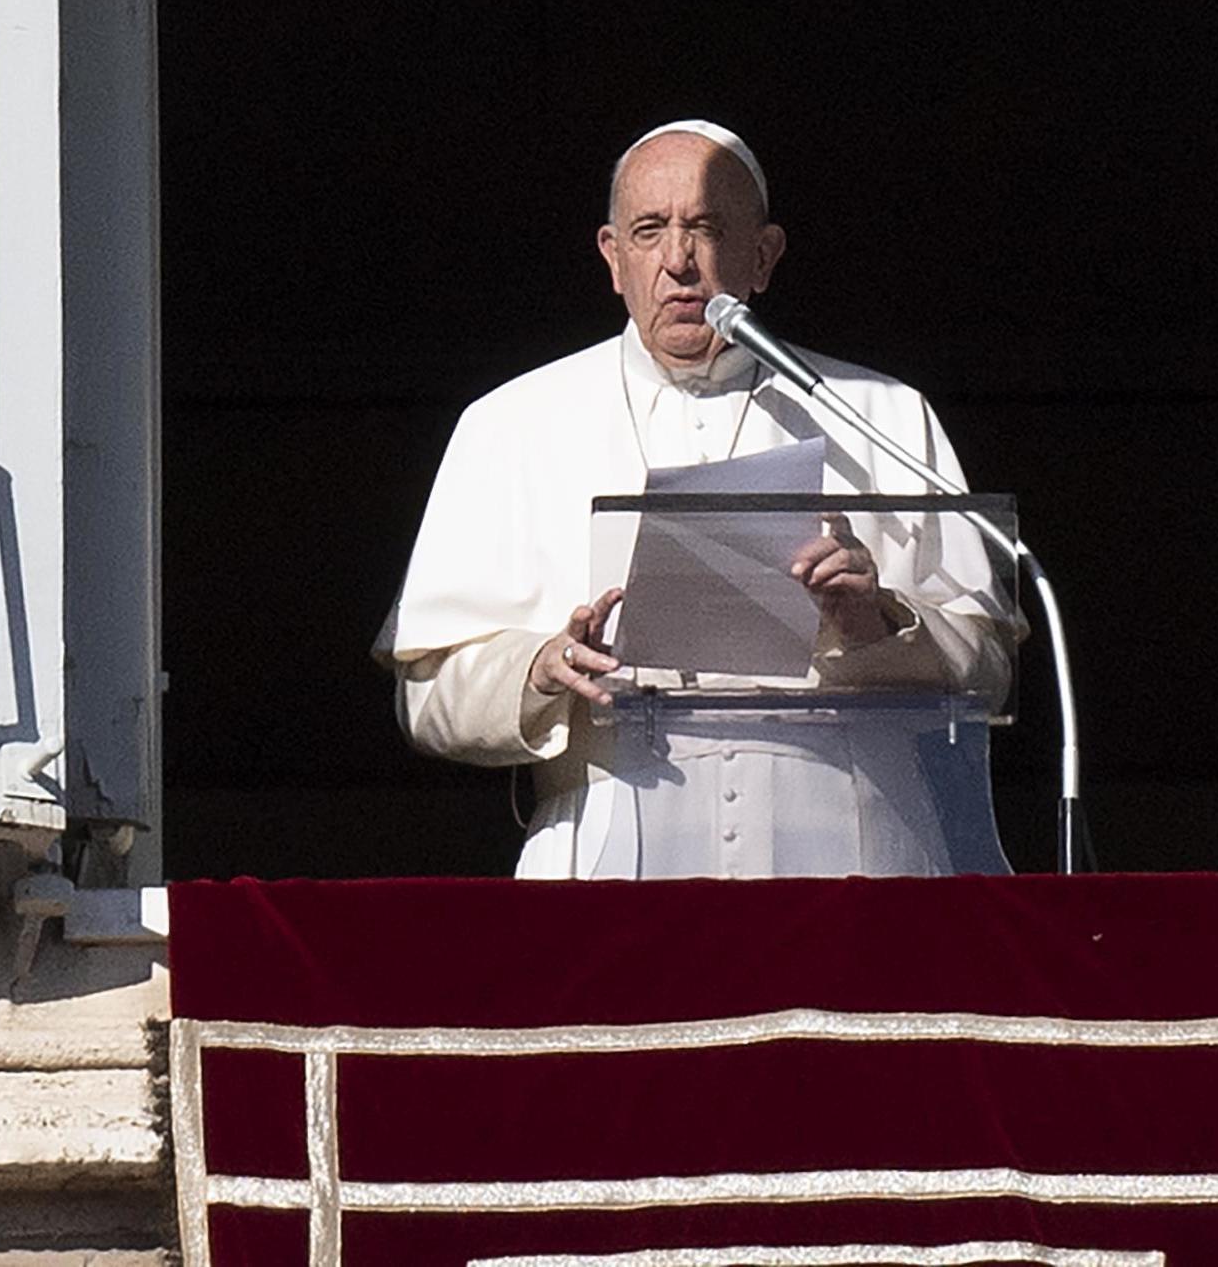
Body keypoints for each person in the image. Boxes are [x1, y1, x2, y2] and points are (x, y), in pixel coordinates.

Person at [376, 120, 1015, 879]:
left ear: (764, 256)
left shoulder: (880, 413)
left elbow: (991, 669)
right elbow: (428, 697)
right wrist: (541, 669)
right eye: (650, 231)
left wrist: (877, 624)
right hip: (610, 858)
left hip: (854, 857)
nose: (678, 260)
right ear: (614, 258)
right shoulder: (508, 425)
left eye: (707, 228)